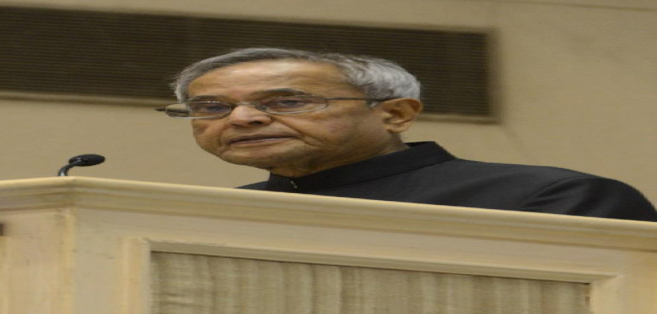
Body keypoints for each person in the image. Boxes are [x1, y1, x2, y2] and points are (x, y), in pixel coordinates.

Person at [160, 47, 657, 221]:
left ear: (395, 114)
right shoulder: (217, 214)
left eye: (287, 102)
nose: (242, 119)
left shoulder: (549, 197)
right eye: (211, 108)